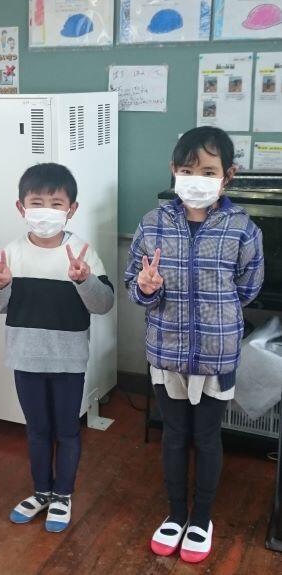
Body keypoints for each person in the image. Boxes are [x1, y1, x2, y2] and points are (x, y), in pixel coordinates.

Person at [125, 127, 264, 563]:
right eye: (187, 170)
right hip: (166, 352)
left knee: (206, 438)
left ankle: (201, 518)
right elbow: (134, 285)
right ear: (173, 171)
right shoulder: (152, 223)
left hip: (216, 355)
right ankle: (175, 514)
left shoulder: (242, 228)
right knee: (173, 437)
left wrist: (216, 313)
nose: (196, 179)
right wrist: (146, 287)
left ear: (228, 175)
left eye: (208, 171)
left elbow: (248, 288)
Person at [0, 163, 114, 533]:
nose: (46, 211)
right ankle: (41, 491)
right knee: (37, 429)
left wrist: (84, 280)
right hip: (25, 358)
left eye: (56, 203)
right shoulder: (12, 253)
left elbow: (103, 304)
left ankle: (63, 495)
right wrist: (0, 285)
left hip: (68, 360)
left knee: (67, 431)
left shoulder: (82, 252)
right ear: (21, 207)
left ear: (71, 209)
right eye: (36, 202)